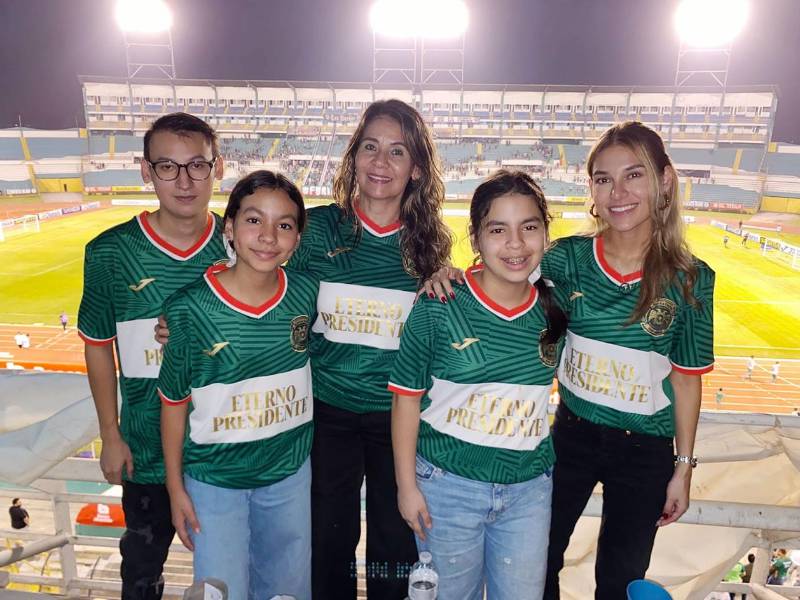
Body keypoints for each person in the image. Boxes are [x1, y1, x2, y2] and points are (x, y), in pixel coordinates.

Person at [542, 122, 715, 599]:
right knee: (536, 562)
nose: (617, 192)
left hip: (646, 452)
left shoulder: (690, 280)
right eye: (602, 178)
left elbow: (685, 380)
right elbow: (500, 285)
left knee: (620, 581)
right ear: (591, 188)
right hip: (570, 434)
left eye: (633, 175)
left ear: (664, 181)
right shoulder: (564, 259)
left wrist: (683, 468)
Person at [289, 99, 452, 599]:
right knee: (328, 542)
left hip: (397, 422)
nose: (381, 163)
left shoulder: (430, 247)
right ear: (353, 156)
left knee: (395, 548)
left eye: (397, 151)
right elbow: (261, 289)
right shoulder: (314, 230)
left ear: (417, 168)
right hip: (326, 414)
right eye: (371, 148)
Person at [390, 171, 567, 599]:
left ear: (545, 233)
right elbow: (405, 402)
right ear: (475, 238)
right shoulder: (438, 305)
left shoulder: (556, 309)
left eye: (529, 227)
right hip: (447, 489)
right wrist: (407, 487)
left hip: (528, 491)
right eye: (497, 230)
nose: (515, 244)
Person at [78, 112, 226, 600]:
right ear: (146, 171)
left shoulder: (243, 246)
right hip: (144, 452)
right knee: (141, 575)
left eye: (196, 166)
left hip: (223, 453)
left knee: (226, 576)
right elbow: (99, 347)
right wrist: (110, 435)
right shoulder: (109, 253)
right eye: (167, 166)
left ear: (217, 168)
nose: (184, 181)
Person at [159, 171, 316, 600]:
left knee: (286, 590)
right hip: (214, 481)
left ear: (297, 238)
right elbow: (173, 403)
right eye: (253, 220)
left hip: (288, 475)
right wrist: (176, 488)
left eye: (284, 225)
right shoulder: (188, 309)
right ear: (228, 227)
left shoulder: (306, 294)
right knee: (219, 591)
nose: (268, 236)